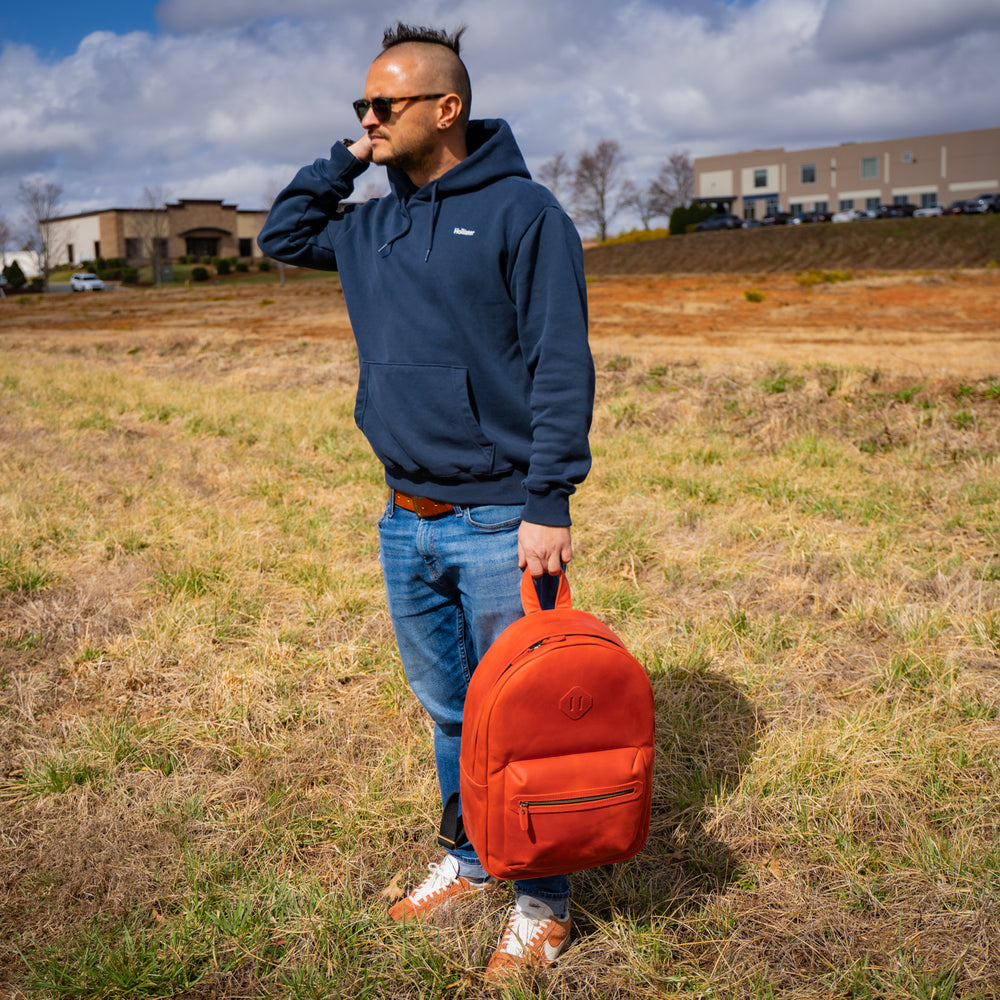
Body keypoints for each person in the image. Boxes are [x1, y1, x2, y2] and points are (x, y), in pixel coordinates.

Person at [258, 22, 594, 982]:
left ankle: (544, 905)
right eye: (359, 107)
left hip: (500, 520)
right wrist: (344, 160)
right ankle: (475, 855)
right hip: (405, 516)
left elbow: (560, 362)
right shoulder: (368, 224)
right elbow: (282, 235)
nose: (367, 118)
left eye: (384, 105)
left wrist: (549, 501)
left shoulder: (524, 214)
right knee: (451, 714)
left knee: (522, 720)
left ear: (447, 110)